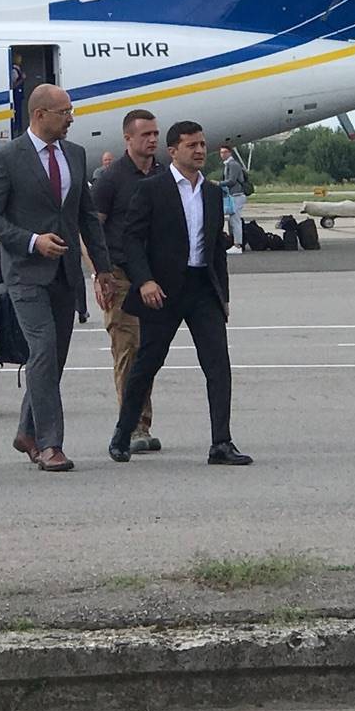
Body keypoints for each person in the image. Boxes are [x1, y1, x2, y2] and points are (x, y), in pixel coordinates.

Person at [0, 82, 113, 473]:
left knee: (55, 357)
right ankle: (51, 444)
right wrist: (32, 241)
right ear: (40, 115)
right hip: (25, 273)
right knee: (43, 348)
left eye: (70, 111)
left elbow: (86, 217)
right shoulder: (7, 158)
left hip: (65, 274)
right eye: (64, 112)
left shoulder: (75, 154)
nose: (71, 118)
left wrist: (102, 269)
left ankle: (26, 431)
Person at [109, 121, 251, 466]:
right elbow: (131, 241)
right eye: (191, 145)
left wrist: (223, 295)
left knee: (218, 364)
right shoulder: (151, 189)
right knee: (147, 363)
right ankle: (123, 433)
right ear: (173, 151)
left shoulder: (212, 192)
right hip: (163, 290)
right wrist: (144, 281)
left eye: (202, 144)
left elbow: (216, 248)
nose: (200, 150)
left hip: (202, 288)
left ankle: (221, 442)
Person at [92, 109, 165, 453]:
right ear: (128, 138)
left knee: (149, 353)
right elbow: (91, 230)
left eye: (155, 134)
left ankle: (142, 423)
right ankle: (132, 426)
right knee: (128, 351)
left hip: (154, 276)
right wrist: (99, 273)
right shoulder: (111, 179)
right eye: (145, 134)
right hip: (119, 276)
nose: (152, 140)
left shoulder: (162, 175)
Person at [216, 144, 248, 254]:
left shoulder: (233, 164)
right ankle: (234, 242)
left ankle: (238, 245)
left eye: (225, 152)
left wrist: (218, 183)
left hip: (237, 195)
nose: (222, 155)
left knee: (235, 220)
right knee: (232, 220)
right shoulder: (228, 164)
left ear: (230, 153)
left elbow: (232, 181)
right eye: (221, 152)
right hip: (233, 195)